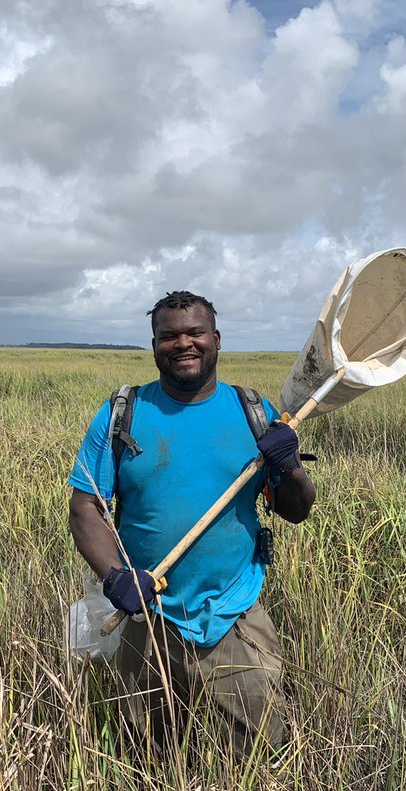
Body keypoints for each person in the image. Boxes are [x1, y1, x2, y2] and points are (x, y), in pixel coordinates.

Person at [67, 290, 316, 757]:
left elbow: (296, 508)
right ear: (154, 345)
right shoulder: (124, 411)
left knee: (256, 755)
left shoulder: (254, 412)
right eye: (169, 336)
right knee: (142, 755)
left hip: (232, 612)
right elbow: (86, 510)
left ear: (216, 339)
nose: (183, 343)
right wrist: (115, 577)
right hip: (146, 614)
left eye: (195, 333)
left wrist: (291, 466)